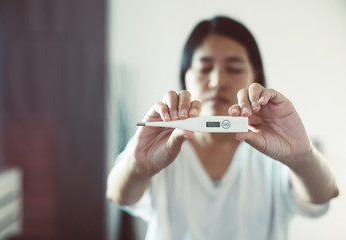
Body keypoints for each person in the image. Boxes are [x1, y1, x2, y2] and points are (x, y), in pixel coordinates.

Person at [106, 16, 339, 240]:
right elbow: (118, 194)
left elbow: (324, 195)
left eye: (234, 68)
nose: (217, 80)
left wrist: (301, 157)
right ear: (185, 77)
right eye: (205, 68)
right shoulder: (161, 141)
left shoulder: (274, 145)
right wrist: (138, 167)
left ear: (255, 76)